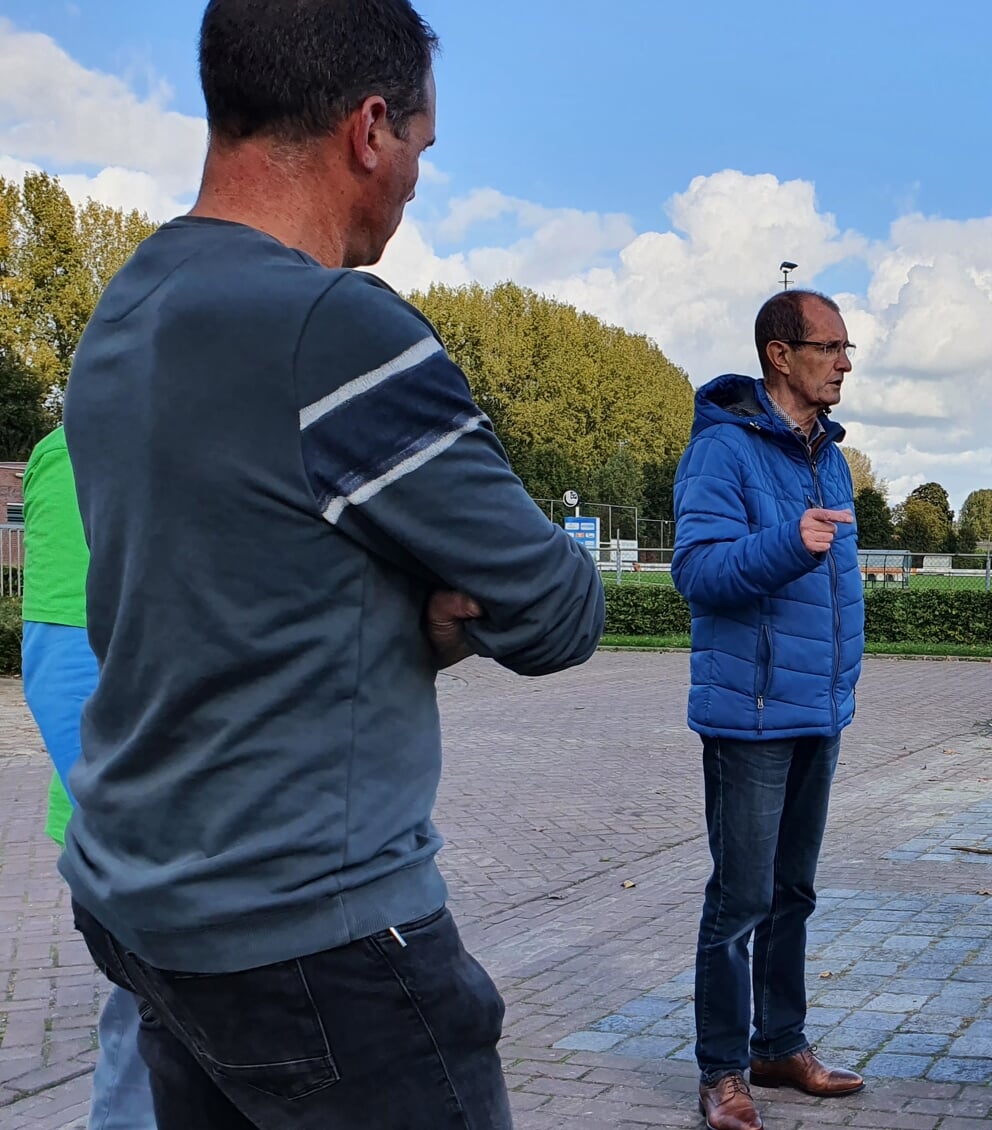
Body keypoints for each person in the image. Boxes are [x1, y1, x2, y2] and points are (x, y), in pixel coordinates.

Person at [60, 2, 606, 1126]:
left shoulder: (127, 309)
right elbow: (558, 607)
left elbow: (215, 586)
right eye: (420, 148)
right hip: (319, 935)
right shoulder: (333, 327)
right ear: (369, 130)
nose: (415, 180)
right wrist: (430, 600)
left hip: (144, 908)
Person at [672, 289, 866, 1130]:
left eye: (847, 348)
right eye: (829, 347)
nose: (845, 363)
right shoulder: (723, 451)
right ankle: (722, 1071)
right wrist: (791, 543)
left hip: (817, 710)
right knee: (740, 898)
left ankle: (780, 1044)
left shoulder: (828, 454)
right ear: (780, 355)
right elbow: (699, 574)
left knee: (794, 891)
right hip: (748, 716)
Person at [20, 427, 154, 1130]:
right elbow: (65, 674)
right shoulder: (86, 444)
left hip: (267, 822)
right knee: (158, 1045)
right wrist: (149, 839)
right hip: (159, 835)